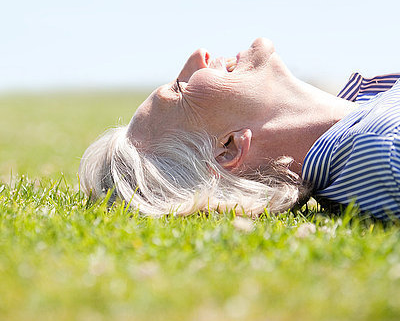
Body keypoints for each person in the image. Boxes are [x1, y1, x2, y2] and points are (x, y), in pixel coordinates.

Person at [79, 38, 400, 220]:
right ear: (229, 147)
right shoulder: (383, 149)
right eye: (179, 89)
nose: (197, 56)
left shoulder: (370, 115)